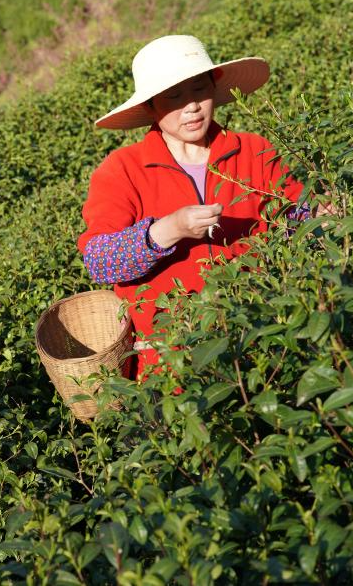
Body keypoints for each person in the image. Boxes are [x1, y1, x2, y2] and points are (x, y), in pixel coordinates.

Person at [77, 35, 330, 380]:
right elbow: (99, 260)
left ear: (215, 88)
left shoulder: (254, 150)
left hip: (263, 346)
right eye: (174, 98)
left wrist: (320, 218)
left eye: (199, 90)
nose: (192, 107)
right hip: (169, 368)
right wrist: (168, 230)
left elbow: (293, 216)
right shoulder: (122, 169)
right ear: (151, 106)